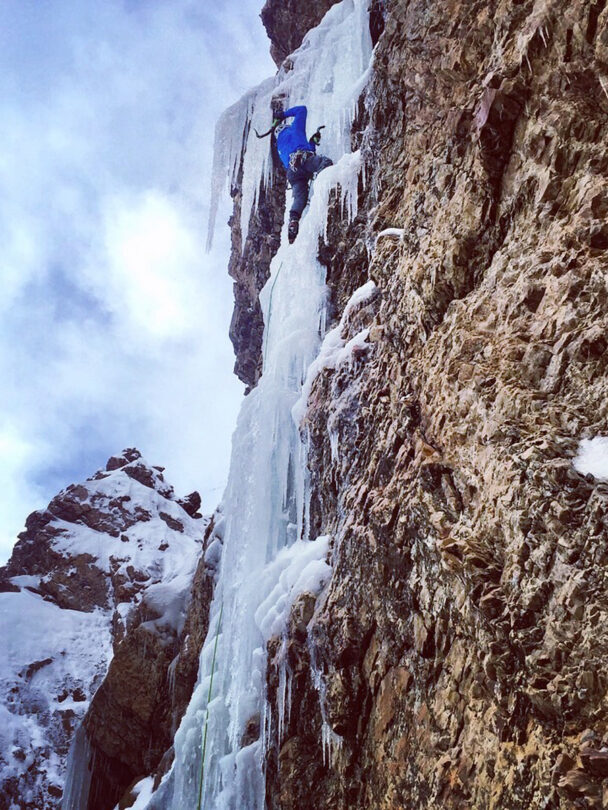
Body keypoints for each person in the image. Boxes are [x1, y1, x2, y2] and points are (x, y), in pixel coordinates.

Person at [266, 105, 333, 243]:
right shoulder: (294, 130)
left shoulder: (280, 146)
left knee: (299, 198)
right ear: (286, 128)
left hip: (293, 172)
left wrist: (312, 142)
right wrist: (283, 114)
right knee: (325, 162)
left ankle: (293, 221)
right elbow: (302, 109)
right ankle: (325, 190)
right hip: (303, 160)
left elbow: (303, 148)